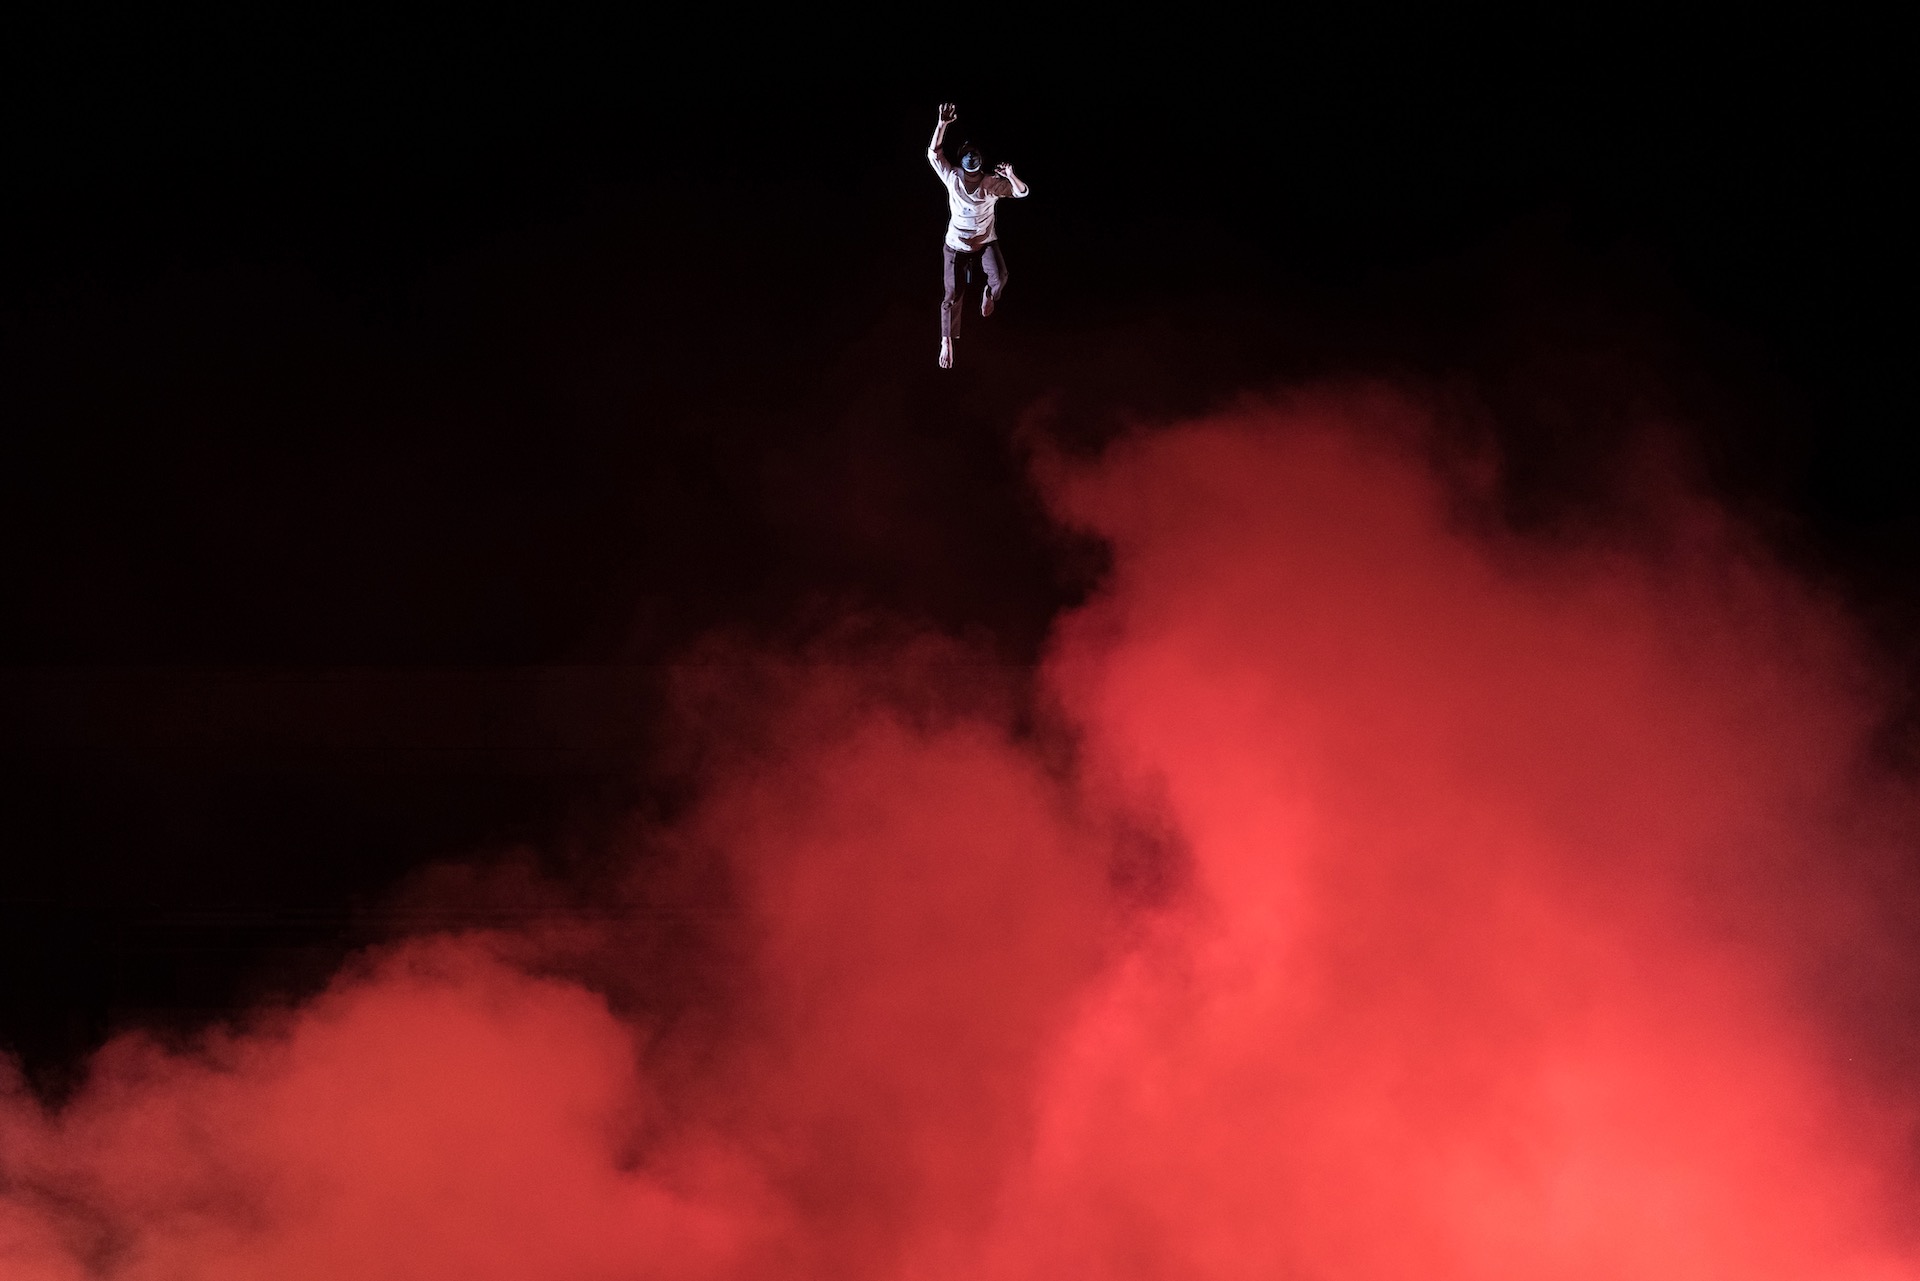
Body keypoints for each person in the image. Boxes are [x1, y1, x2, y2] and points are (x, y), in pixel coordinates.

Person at [928, 102, 1029, 368]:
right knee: (953, 294)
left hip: (984, 243)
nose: (970, 177)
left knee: (1001, 276)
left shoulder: (990, 184)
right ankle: (946, 340)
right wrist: (941, 124)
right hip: (956, 246)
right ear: (963, 168)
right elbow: (934, 154)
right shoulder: (953, 178)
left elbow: (1021, 192)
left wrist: (1011, 175)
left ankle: (990, 294)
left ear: (979, 167)